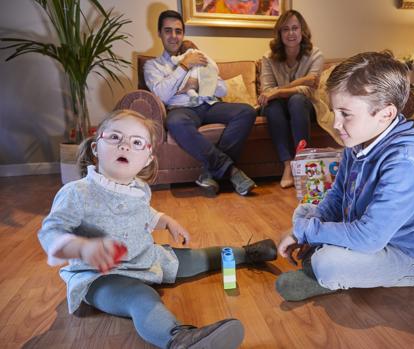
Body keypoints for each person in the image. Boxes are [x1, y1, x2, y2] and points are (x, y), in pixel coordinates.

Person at [38, 109, 277, 348]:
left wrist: (166, 220)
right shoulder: (77, 192)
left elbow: (144, 212)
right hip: (101, 277)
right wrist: (79, 247)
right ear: (95, 148)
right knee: (140, 297)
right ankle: (179, 339)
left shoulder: (140, 188)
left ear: (148, 158)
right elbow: (51, 230)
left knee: (199, 257)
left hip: (148, 259)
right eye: (114, 137)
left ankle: (246, 254)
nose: (125, 146)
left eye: (137, 142)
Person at [275, 51, 414, 302]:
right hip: (369, 233)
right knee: (305, 210)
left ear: (385, 114)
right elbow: (336, 197)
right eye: (334, 111)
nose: (335, 124)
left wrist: (305, 233)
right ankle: (325, 250)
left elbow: (368, 237)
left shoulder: (406, 163)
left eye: (345, 114)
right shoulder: (357, 144)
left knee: (327, 261)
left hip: (408, 257)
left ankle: (325, 269)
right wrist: (306, 227)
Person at [144, 10, 257, 196]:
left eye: (178, 31)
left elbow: (222, 89)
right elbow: (163, 95)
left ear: (183, 33)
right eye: (168, 31)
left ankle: (209, 173)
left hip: (208, 105)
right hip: (181, 110)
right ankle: (230, 171)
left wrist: (197, 82)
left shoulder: (198, 56)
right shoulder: (152, 66)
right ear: (159, 33)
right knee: (175, 122)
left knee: (246, 112)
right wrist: (184, 66)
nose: (174, 36)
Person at [258, 9, 324, 188]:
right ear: (279, 34)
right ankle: (287, 165)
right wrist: (302, 81)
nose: (291, 33)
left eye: (295, 28)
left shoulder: (315, 54)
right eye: (285, 29)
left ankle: (302, 162)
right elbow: (267, 91)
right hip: (276, 107)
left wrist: (279, 92)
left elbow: (309, 91)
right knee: (274, 106)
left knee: (297, 100)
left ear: (302, 31)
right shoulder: (268, 58)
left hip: (304, 106)